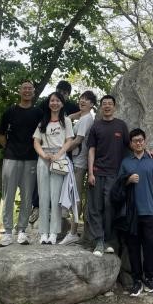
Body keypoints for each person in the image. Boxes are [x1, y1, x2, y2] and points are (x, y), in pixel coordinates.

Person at [117, 128, 153, 297]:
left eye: (141, 140)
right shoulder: (125, 162)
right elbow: (118, 185)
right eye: (135, 141)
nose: (138, 143)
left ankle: (149, 278)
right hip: (131, 213)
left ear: (145, 141)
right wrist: (128, 180)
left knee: (150, 246)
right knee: (133, 248)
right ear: (131, 144)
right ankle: (137, 281)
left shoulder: (152, 161)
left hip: (149, 211)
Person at [0, 80, 43, 246]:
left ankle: (22, 231)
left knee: (27, 196)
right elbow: (0, 134)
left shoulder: (38, 113)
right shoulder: (10, 111)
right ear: (19, 91)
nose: (27, 91)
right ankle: (8, 232)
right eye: (24, 88)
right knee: (8, 195)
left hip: (31, 159)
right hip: (11, 158)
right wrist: (9, 148)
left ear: (33, 92)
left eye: (30, 88)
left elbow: (44, 134)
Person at [29, 80, 80, 225]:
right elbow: (37, 119)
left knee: (63, 179)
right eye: (59, 91)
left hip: (63, 150)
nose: (58, 99)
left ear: (68, 95)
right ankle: (37, 206)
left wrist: (70, 117)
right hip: (44, 149)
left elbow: (84, 113)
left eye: (64, 93)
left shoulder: (71, 106)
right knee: (40, 181)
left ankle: (62, 207)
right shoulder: (46, 103)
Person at [87, 94, 130, 256]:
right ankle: (99, 240)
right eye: (104, 103)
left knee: (110, 207)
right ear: (101, 107)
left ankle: (108, 240)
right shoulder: (96, 126)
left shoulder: (121, 125)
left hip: (114, 174)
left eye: (110, 103)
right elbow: (91, 150)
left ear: (114, 107)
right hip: (98, 172)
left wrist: (147, 152)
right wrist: (90, 172)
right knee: (95, 207)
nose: (107, 106)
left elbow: (131, 145)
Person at [33, 91, 74, 244]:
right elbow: (36, 142)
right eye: (52, 100)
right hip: (43, 159)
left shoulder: (66, 121)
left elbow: (69, 140)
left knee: (56, 197)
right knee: (43, 196)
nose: (54, 103)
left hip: (59, 159)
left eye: (57, 101)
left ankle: (54, 233)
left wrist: (58, 155)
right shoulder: (43, 121)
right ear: (49, 103)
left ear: (62, 103)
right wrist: (43, 155)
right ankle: (43, 232)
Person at [60, 90, 97, 245]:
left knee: (75, 196)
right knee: (73, 194)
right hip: (75, 160)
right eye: (81, 98)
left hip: (79, 162)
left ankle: (73, 232)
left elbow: (77, 141)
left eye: (86, 100)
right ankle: (71, 230)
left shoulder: (86, 119)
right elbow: (69, 118)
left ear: (92, 104)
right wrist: (76, 114)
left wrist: (60, 151)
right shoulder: (84, 117)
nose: (82, 101)